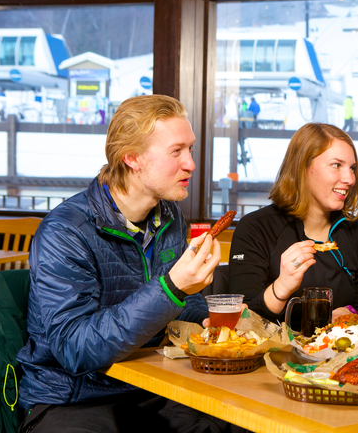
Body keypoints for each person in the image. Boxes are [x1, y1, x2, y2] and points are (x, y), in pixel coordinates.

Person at [17, 95, 228, 433]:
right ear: (132, 158)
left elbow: (179, 305)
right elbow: (75, 348)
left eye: (190, 149)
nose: (190, 163)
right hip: (74, 397)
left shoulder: (168, 215)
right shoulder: (65, 231)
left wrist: (207, 320)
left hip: (151, 385)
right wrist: (172, 288)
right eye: (176, 151)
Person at [228, 123, 358, 328]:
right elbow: (242, 323)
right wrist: (281, 288)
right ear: (303, 167)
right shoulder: (255, 229)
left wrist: (351, 313)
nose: (349, 179)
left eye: (352, 168)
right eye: (336, 165)